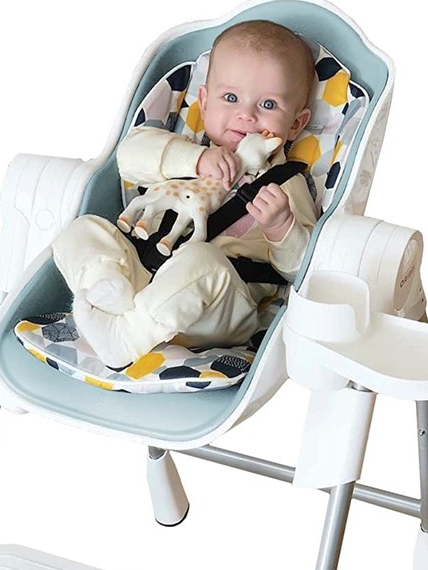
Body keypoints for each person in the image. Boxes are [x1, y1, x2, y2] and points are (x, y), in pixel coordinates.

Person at [52, 20, 317, 368]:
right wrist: (196, 159)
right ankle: (110, 291)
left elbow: (304, 271)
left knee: (202, 261)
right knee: (84, 230)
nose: (246, 115)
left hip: (218, 307)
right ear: (204, 103)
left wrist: (281, 227)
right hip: (144, 279)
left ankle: (124, 339)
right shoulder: (183, 148)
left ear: (296, 124)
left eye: (268, 104)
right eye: (231, 98)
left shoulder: (285, 183)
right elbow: (127, 158)